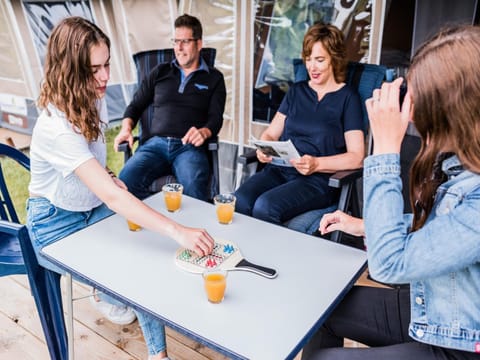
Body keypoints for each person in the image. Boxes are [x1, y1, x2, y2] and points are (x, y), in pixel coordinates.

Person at [27, 16, 214, 360]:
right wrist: (178, 230)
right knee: (131, 264)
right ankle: (116, 301)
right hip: (54, 222)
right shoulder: (55, 125)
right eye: (94, 69)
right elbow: (113, 198)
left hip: (89, 206)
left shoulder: (91, 97)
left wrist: (108, 174)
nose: (105, 77)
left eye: (107, 64)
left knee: (141, 249)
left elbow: (92, 166)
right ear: (69, 70)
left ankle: (139, 332)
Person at [302, 24, 480, 359]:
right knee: (320, 309)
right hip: (435, 305)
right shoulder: (463, 163)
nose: (411, 115)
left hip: (461, 343)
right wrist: (362, 225)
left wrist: (383, 150)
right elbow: (445, 230)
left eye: (419, 100)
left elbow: (387, 265)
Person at [234, 23, 365, 225]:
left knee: (265, 207)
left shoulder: (348, 98)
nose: (311, 67)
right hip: (279, 170)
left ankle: (269, 257)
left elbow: (357, 157)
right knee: (239, 201)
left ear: (334, 59)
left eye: (319, 60)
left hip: (317, 180)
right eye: (308, 59)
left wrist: (317, 164)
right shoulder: (297, 91)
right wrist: (264, 149)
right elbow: (270, 134)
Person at [113, 13, 226, 201]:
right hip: (154, 145)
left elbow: (216, 119)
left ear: (199, 44)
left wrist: (204, 132)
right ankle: (156, 221)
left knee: (194, 190)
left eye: (185, 42)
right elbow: (135, 105)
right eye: (176, 41)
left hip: (188, 147)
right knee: (125, 182)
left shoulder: (214, 78)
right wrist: (126, 129)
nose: (179, 48)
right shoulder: (160, 71)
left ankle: (191, 228)